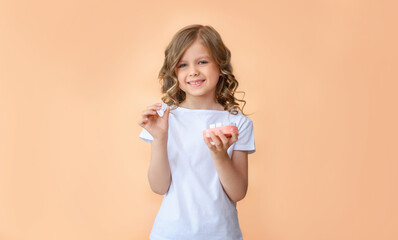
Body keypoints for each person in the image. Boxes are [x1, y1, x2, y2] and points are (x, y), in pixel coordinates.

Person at [138, 24, 255, 240]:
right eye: (183, 65)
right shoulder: (163, 119)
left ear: (220, 67)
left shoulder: (239, 123)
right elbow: (158, 186)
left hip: (222, 234)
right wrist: (159, 139)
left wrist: (220, 156)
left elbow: (238, 192)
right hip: (170, 233)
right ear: (174, 72)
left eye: (202, 61)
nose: (193, 71)